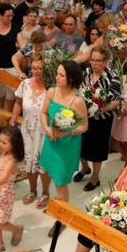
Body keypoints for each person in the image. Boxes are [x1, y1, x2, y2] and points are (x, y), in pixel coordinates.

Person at [38, 61, 88, 206]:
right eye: (57, 74)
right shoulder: (52, 92)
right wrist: (47, 129)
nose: (56, 78)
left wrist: (66, 133)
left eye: (61, 75)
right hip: (51, 140)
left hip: (67, 146)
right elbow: (44, 113)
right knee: (48, 172)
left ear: (70, 79)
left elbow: (84, 126)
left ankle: (63, 215)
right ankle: (49, 198)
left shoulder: (77, 101)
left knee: (60, 181)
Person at [75, 47, 121, 191]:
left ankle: (95, 179)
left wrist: (101, 108)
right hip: (84, 117)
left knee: (97, 149)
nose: (94, 63)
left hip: (101, 120)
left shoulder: (112, 77)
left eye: (98, 61)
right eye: (92, 60)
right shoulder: (86, 73)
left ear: (106, 61)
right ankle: (84, 169)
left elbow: (116, 101)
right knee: (80, 145)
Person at [9, 54, 49, 207]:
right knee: (30, 162)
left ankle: (45, 192)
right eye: (34, 68)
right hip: (27, 130)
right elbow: (18, 103)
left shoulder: (50, 86)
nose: (36, 71)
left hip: (44, 130)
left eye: (40, 68)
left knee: (43, 165)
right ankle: (33, 190)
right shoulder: (25, 84)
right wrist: (13, 120)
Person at [0, 4, 20, 111]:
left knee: (11, 93)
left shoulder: (15, 27)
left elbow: (21, 44)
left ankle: (7, 116)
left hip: (10, 65)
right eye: (7, 16)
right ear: (0, 15)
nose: (10, 18)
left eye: (12, 15)